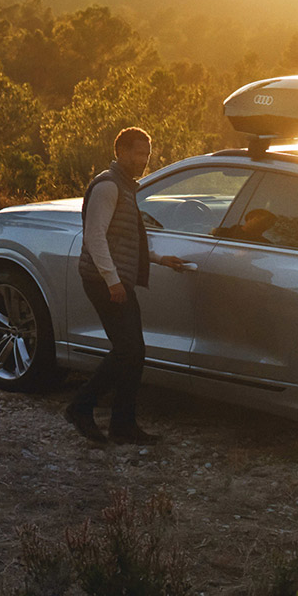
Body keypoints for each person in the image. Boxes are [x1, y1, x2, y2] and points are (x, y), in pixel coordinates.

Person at [64, 127, 191, 444]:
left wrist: (160, 259)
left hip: (116, 278)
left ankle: (123, 424)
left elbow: (125, 240)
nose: (143, 160)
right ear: (120, 152)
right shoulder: (108, 187)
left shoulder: (126, 188)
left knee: (133, 352)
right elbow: (95, 237)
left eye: (147, 154)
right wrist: (113, 280)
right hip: (103, 280)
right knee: (128, 350)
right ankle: (81, 406)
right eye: (137, 153)